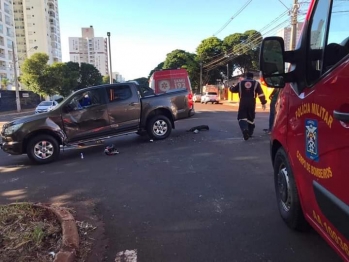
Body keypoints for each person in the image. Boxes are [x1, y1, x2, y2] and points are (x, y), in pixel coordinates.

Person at [229, 72, 267, 141]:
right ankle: (249, 133)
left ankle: (245, 129)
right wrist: (263, 102)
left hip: (243, 102)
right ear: (253, 77)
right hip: (252, 102)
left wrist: (231, 87)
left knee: (241, 117)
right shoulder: (256, 83)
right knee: (250, 118)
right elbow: (261, 94)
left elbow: (233, 90)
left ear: (246, 77)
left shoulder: (241, 83)